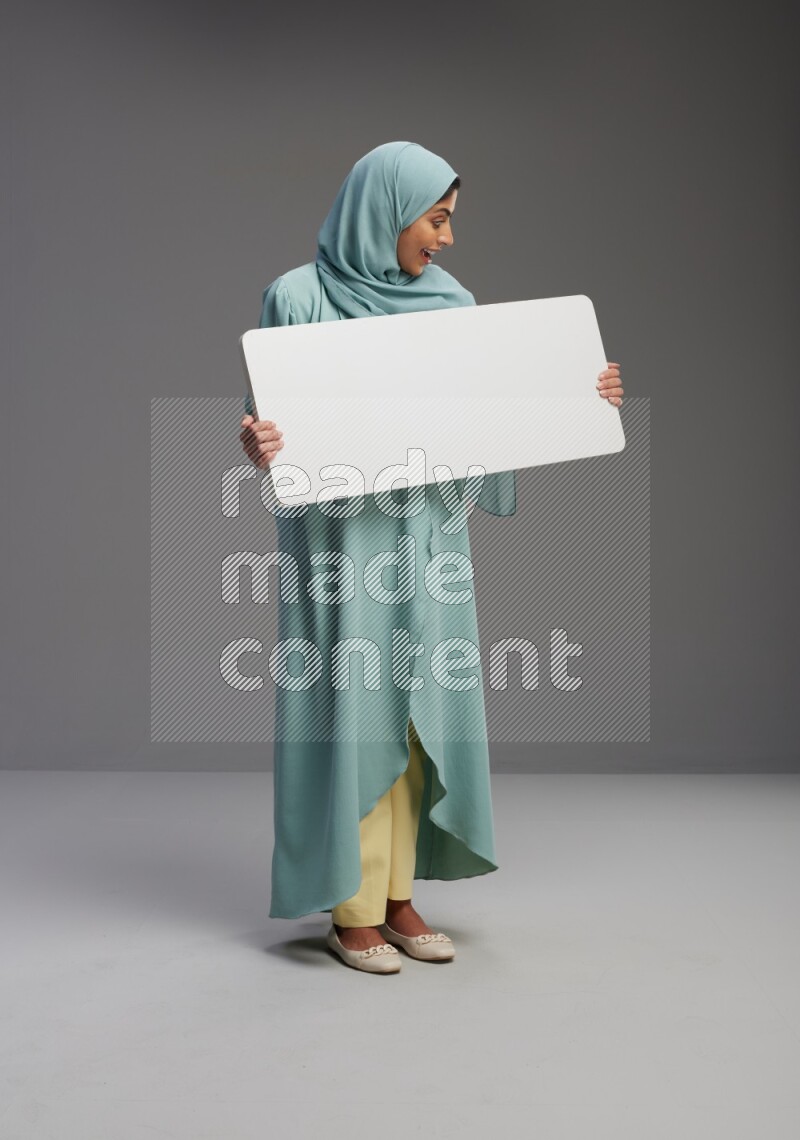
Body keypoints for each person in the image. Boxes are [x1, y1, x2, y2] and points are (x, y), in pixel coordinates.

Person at [240, 141, 623, 974]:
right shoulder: (297, 297)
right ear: (384, 210)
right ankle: (352, 906)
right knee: (354, 707)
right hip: (345, 547)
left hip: (430, 538)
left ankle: (397, 894)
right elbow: (273, 425)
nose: (447, 239)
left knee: (419, 709)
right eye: (437, 219)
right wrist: (260, 443)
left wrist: (580, 397)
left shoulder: (453, 303)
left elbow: (489, 418)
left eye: (450, 222)